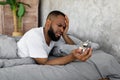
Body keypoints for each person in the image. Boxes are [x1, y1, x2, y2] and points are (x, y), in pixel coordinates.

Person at [17, 10, 92, 65]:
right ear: (48, 23)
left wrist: (64, 35)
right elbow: (44, 63)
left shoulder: (53, 36)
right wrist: (72, 57)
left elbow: (73, 47)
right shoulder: (35, 36)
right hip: (16, 53)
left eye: (64, 27)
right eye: (59, 25)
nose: (62, 30)